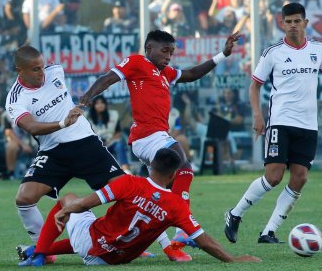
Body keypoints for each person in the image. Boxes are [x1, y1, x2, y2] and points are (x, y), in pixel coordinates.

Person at [79, 29, 241, 261]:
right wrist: (87, 97)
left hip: (151, 138)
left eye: (171, 52)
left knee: (154, 196)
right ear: (149, 49)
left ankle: (168, 246)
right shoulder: (137, 62)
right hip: (148, 135)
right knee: (183, 166)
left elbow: (193, 73)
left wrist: (222, 54)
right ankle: (183, 231)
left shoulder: (164, 73)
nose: (168, 56)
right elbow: (108, 78)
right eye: (164, 51)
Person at [224, 2, 322, 245]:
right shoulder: (272, 52)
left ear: (305, 23)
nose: (292, 25)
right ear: (281, 24)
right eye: (287, 21)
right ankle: (235, 214)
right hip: (280, 122)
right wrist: (258, 115)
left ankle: (268, 231)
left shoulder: (319, 50)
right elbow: (255, 85)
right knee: (274, 177)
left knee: (300, 178)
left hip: (309, 125)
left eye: (296, 21)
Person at [17, 148, 261, 266]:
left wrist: (66, 209)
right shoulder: (176, 206)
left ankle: (39, 254)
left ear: (150, 166)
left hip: (93, 243)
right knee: (96, 232)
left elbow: (86, 203)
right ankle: (39, 249)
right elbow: (203, 239)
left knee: (68, 197)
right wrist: (231, 259)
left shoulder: (129, 183)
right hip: (109, 260)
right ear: (174, 174)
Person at [5, 46, 126, 262]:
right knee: (24, 198)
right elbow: (32, 127)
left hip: (85, 143)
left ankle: (131, 239)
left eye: (42, 66)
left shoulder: (55, 71)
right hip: (54, 152)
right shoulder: (15, 98)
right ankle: (43, 248)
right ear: (19, 70)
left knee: (126, 190)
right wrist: (62, 123)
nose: (42, 73)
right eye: (35, 69)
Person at [86, 95, 131, 173]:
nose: (100, 105)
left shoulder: (113, 115)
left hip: (110, 143)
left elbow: (118, 132)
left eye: (102, 103)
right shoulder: (87, 117)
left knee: (119, 144)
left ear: (106, 104)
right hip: (95, 145)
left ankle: (125, 169)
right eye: (97, 103)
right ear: (93, 105)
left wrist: (110, 141)